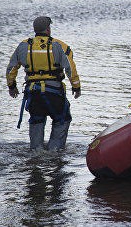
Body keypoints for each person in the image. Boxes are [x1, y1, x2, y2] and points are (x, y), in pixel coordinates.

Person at [6, 16, 81, 152]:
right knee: (62, 119)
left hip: (33, 93)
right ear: (48, 29)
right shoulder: (60, 45)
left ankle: (36, 152)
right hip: (54, 93)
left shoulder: (24, 45)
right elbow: (70, 68)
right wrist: (76, 87)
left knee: (36, 120)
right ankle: (55, 152)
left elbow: (11, 68)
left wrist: (12, 86)